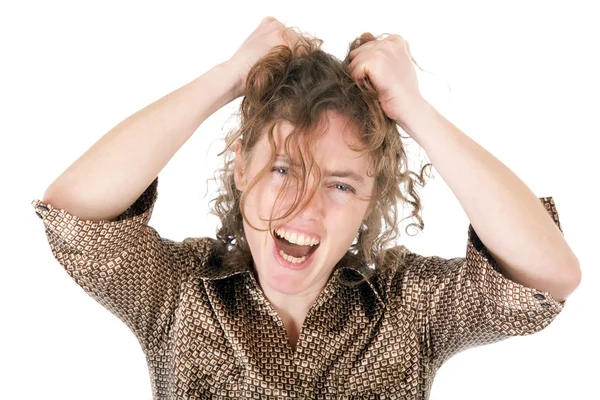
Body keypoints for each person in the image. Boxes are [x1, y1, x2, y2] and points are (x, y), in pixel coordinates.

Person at [32, 16, 581, 399]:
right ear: (241, 167)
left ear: (371, 197)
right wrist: (229, 75)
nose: (304, 207)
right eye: (282, 169)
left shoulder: (408, 307)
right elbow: (73, 211)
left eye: (341, 185)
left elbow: (549, 274)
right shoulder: (178, 292)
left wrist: (413, 109)